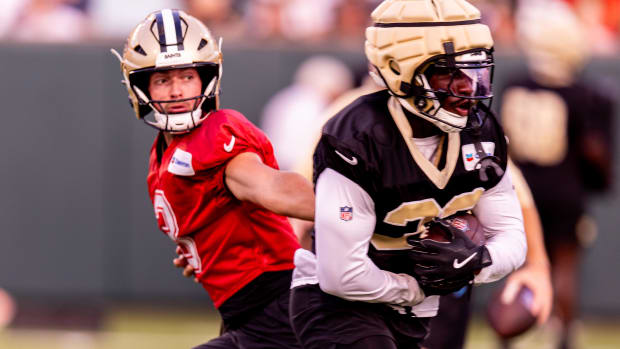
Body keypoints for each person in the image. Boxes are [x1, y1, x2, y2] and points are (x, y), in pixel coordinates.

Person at [289, 0, 527, 347]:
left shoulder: (482, 134)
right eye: (447, 71)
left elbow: (510, 237)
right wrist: (417, 288)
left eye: (473, 70)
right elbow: (341, 275)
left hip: (415, 310)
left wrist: (476, 261)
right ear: (401, 70)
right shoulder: (359, 138)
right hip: (336, 305)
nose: (466, 86)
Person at [111, 9, 314, 349]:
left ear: (206, 79)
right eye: (163, 80)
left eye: (186, 77)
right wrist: (201, 250)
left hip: (279, 311)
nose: (177, 91)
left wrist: (353, 211)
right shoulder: (162, 157)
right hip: (251, 314)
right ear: (141, 87)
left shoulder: (215, 134)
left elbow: (271, 187)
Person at [500, 2, 615, 348]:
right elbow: (592, 151)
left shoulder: (516, 84)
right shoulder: (582, 94)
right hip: (565, 188)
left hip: (522, 186)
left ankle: (510, 333)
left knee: (521, 262)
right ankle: (564, 335)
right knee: (563, 263)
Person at [422, 160, 553, 349]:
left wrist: (537, 265)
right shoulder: (373, 141)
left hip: (445, 262)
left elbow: (511, 185)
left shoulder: (475, 138)